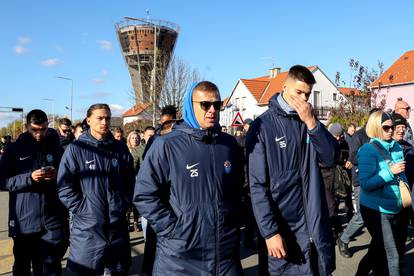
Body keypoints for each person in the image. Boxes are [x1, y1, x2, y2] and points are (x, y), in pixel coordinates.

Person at [134, 81, 245, 275]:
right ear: (190, 106)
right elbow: (144, 195)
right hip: (179, 258)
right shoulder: (166, 145)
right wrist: (173, 230)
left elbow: (237, 189)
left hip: (224, 255)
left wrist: (233, 221)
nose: (212, 110)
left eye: (217, 105)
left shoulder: (229, 144)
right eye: (205, 105)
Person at [246, 65, 338, 275]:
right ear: (284, 87)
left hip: (315, 226)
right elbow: (257, 185)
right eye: (298, 92)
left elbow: (331, 157)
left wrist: (312, 124)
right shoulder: (263, 126)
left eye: (307, 94)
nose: (303, 100)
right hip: (284, 229)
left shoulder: (309, 120)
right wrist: (270, 232)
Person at [57, 103, 135, 275]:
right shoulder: (76, 149)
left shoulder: (120, 148)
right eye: (100, 118)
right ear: (89, 120)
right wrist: (85, 209)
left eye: (107, 118)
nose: (104, 122)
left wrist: (125, 202)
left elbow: (130, 180)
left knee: (118, 271)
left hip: (117, 228)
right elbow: (64, 187)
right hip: (88, 230)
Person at [0, 109, 68, 275]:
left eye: (43, 129)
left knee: (51, 266)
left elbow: (69, 176)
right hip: (25, 222)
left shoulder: (56, 148)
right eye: (35, 130)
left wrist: (57, 174)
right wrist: (29, 178)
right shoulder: (13, 150)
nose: (39, 134)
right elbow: (3, 181)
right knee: (23, 266)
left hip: (52, 220)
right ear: (26, 127)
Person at [355, 111, 408, 275]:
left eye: (392, 127)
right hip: (375, 209)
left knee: (377, 250)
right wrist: (389, 172)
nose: (391, 131)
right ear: (376, 128)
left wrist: (405, 191)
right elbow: (366, 184)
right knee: (393, 256)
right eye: (386, 128)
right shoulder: (367, 150)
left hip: (395, 207)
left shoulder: (397, 146)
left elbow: (402, 174)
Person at [337, 108, 381, 258]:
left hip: (377, 178)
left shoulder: (378, 135)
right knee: (363, 214)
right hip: (361, 180)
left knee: (379, 213)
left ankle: (382, 248)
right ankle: (343, 239)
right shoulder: (359, 135)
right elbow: (353, 157)